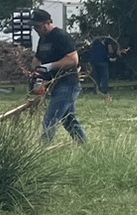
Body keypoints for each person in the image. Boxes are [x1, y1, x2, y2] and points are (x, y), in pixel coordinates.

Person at [31, 8, 87, 145]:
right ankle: (84, 146)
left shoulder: (61, 37)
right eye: (33, 27)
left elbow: (73, 60)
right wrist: (37, 72)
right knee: (69, 120)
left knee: (51, 119)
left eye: (37, 26)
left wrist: (50, 66)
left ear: (47, 23)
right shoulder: (43, 39)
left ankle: (42, 150)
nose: (35, 29)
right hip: (53, 84)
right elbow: (37, 58)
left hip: (67, 83)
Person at [85, 34, 114, 99]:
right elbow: (110, 51)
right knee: (104, 77)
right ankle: (104, 91)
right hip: (103, 62)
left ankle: (96, 90)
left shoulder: (94, 43)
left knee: (96, 77)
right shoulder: (106, 43)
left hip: (94, 62)